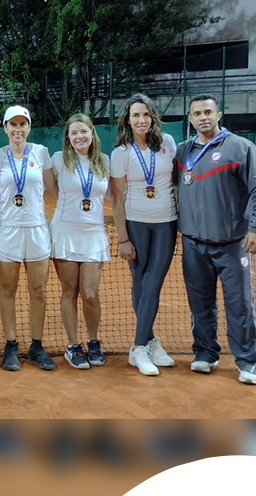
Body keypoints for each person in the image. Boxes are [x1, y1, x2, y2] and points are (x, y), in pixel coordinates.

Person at [174, 94, 256, 385]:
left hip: (232, 244)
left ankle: (247, 361)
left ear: (219, 115)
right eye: (197, 113)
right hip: (193, 244)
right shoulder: (183, 151)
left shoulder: (240, 147)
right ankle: (205, 353)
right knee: (199, 304)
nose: (202, 117)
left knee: (239, 305)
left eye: (208, 112)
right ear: (190, 118)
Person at [110, 94, 177, 376]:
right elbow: (117, 200)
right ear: (127, 120)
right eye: (136, 115)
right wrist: (123, 239)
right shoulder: (120, 153)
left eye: (146, 114)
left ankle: (144, 344)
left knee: (152, 281)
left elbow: (176, 180)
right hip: (136, 222)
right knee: (140, 280)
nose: (141, 120)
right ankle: (144, 345)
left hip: (166, 222)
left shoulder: (168, 144)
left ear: (153, 117)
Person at [0, 106, 55, 371]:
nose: (18, 129)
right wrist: (4, 203)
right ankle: (11, 344)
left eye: (22, 124)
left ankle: (37, 345)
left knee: (39, 290)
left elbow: (52, 188)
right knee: (8, 289)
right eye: (12, 124)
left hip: (37, 230)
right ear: (5, 128)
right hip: (7, 231)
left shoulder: (41, 153)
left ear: (29, 127)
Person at [49, 113, 111, 370]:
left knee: (90, 294)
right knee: (69, 291)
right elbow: (47, 188)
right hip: (65, 231)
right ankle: (73, 345)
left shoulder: (104, 161)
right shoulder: (58, 159)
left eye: (83, 131)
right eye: (73, 133)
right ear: (68, 137)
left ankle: (93, 341)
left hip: (94, 233)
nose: (79, 137)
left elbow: (113, 195)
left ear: (92, 133)